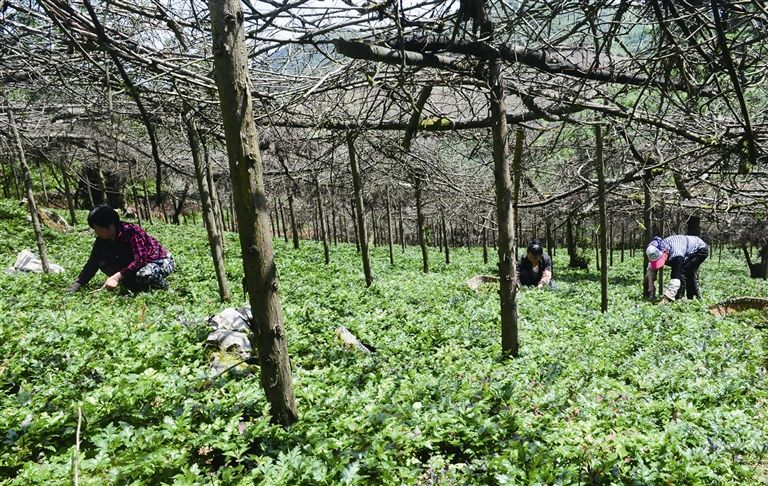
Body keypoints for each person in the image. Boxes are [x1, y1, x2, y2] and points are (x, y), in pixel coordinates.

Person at [67, 205, 175, 293]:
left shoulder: (132, 232)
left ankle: (165, 289)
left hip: (160, 261)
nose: (96, 232)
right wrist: (76, 286)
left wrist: (116, 277)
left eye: (97, 229)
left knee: (144, 275)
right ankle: (133, 283)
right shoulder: (101, 240)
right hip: (136, 264)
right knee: (103, 263)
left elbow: (140, 259)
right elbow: (93, 263)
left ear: (109, 226)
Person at [645, 234, 708, 303]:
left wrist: (667, 298)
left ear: (665, 253)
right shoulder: (655, 249)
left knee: (683, 272)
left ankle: (679, 299)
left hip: (700, 249)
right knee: (688, 272)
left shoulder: (677, 255)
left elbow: (676, 279)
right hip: (683, 248)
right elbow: (651, 269)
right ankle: (695, 298)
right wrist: (650, 285)